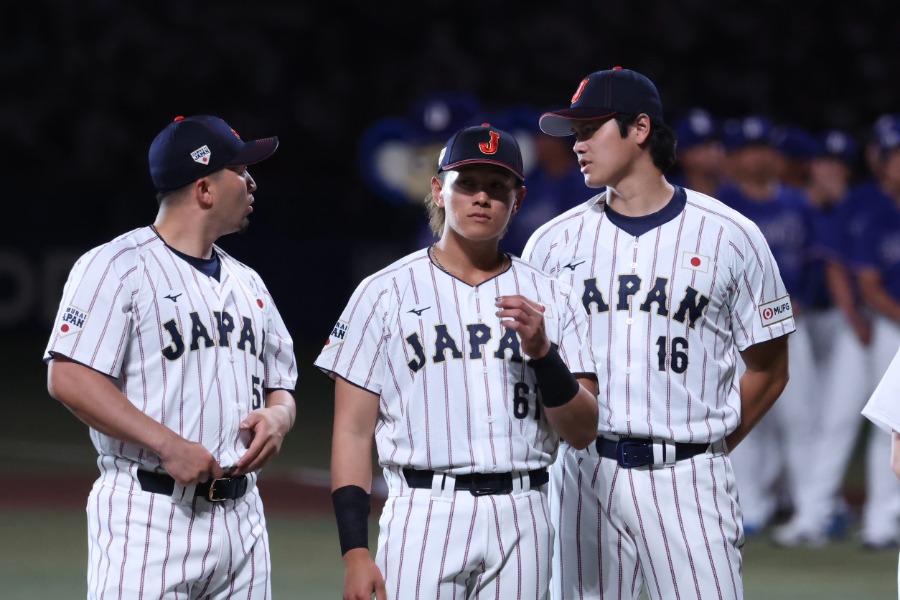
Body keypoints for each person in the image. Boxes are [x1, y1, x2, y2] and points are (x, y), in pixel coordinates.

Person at [524, 67, 794, 600]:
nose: (577, 144)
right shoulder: (552, 244)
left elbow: (770, 368)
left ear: (641, 128)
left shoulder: (731, 235)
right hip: (583, 476)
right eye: (575, 132)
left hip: (688, 481)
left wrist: (707, 445)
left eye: (590, 129)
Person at [316, 123, 599, 600]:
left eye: (497, 186)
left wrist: (543, 355)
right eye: (467, 183)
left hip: (524, 514)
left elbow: (583, 430)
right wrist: (355, 551)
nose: (482, 197)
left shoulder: (553, 297)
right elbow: (352, 433)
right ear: (438, 190)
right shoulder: (383, 293)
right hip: (424, 514)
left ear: (518, 200)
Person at [44, 114, 298, 598]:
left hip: (243, 522)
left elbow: (281, 383)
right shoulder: (117, 266)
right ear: (204, 189)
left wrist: (279, 416)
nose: (252, 183)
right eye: (240, 171)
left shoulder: (249, 282)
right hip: (149, 518)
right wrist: (167, 445)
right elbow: (69, 376)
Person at [715, 115, 818, 536]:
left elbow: (816, 260)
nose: (757, 158)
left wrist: (805, 297)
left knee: (801, 418)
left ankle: (811, 510)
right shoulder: (720, 204)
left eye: (764, 149)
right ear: (733, 158)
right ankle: (749, 508)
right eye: (748, 150)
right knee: (742, 409)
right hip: (735, 327)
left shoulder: (797, 203)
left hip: (792, 323)